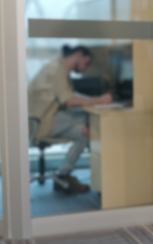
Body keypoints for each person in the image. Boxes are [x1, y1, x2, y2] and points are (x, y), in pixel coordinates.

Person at [28, 45, 112, 194]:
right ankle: (110, 172)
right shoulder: (57, 70)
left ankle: (63, 174)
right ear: (79, 54)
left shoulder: (56, 66)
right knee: (90, 119)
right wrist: (100, 100)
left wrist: (93, 101)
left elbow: (69, 97)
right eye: (86, 63)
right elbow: (70, 101)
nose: (85, 69)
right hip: (41, 123)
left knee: (83, 132)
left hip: (38, 122)